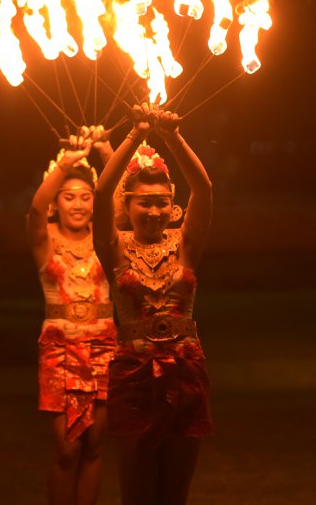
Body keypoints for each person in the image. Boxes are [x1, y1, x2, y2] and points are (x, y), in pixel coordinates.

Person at [93, 105, 212, 505]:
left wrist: (173, 136)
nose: (155, 211)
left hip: (185, 369)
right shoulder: (115, 247)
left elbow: (205, 189)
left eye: (162, 201)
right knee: (137, 492)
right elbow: (101, 192)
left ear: (173, 204)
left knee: (175, 492)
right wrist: (134, 133)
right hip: (132, 372)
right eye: (144, 203)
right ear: (127, 207)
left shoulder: (185, 245)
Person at [28, 126, 116, 505]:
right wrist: (66, 165)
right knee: (67, 450)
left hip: (104, 347)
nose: (78, 205)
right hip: (60, 350)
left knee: (95, 447)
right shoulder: (44, 238)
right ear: (57, 202)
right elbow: (34, 207)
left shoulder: (107, 238)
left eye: (85, 197)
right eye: (69, 197)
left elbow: (123, 194)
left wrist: (106, 148)